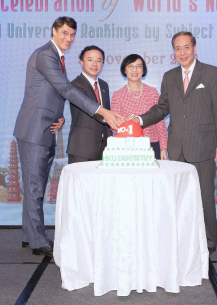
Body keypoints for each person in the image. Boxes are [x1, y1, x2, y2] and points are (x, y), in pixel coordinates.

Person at [13, 17, 122, 256]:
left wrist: (59, 116)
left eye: (72, 34)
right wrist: (101, 110)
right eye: (64, 33)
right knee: (35, 187)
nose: (68, 39)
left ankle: (28, 234)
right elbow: (64, 89)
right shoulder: (46, 55)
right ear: (53, 31)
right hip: (33, 130)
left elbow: (48, 93)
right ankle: (38, 241)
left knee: (36, 185)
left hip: (46, 128)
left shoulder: (57, 57)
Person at [135, 31, 217, 252]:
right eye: (178, 48)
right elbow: (162, 108)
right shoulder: (170, 77)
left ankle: (207, 245)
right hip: (176, 148)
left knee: (205, 199)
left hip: (203, 146)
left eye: (186, 47)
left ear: (195, 49)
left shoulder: (212, 73)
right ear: (173, 52)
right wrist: (139, 119)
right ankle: (178, 243)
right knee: (176, 200)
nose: (182, 52)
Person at [111, 54, 168, 160]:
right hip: (126, 146)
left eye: (138, 66)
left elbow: (160, 122)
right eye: (130, 66)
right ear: (125, 70)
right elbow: (114, 125)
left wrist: (163, 148)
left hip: (151, 144)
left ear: (143, 70)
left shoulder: (152, 92)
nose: (134, 70)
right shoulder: (118, 95)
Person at [66, 45, 110, 163]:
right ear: (81, 62)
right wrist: (113, 119)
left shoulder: (104, 85)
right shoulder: (75, 85)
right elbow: (93, 111)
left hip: (104, 149)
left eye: (98, 60)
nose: (94, 64)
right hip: (82, 149)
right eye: (90, 60)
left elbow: (107, 111)